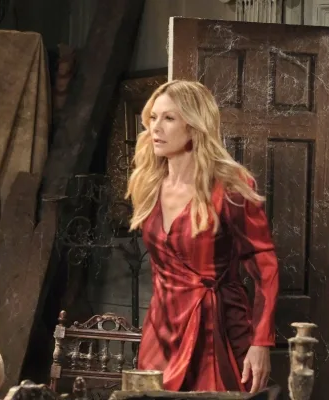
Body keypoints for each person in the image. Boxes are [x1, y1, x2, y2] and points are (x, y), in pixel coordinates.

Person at [125, 80, 279, 393]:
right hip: (161, 332)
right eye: (153, 118)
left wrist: (261, 341)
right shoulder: (148, 184)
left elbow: (265, 268)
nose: (156, 128)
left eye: (169, 118)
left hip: (218, 328)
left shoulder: (230, 186)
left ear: (195, 126)